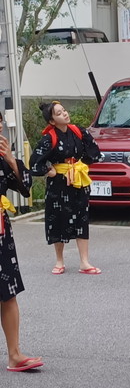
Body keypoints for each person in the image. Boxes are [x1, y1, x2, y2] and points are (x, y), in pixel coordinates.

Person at [30, 101, 101, 275]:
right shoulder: (49, 138)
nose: (65, 114)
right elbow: (34, 163)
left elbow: (94, 151)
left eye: (64, 111)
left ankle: (84, 261)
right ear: (52, 121)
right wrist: (49, 170)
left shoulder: (79, 132)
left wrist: (81, 165)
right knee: (58, 219)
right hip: (58, 184)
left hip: (78, 181)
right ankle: (59, 260)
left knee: (81, 219)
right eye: (59, 113)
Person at [0, 112, 44, 372]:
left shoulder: (4, 156)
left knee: (8, 292)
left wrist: (11, 161)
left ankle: (14, 354)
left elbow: (26, 188)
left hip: (2, 231)